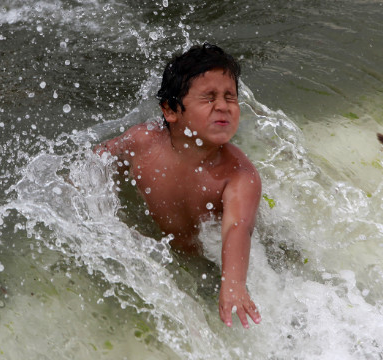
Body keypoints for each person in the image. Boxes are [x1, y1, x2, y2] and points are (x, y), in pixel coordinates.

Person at [95, 43, 261, 329]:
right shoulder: (142, 142)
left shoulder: (238, 175)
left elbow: (238, 227)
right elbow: (97, 162)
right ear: (171, 110)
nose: (223, 106)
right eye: (209, 98)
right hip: (158, 247)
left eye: (230, 97)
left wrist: (233, 283)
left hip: (207, 261)